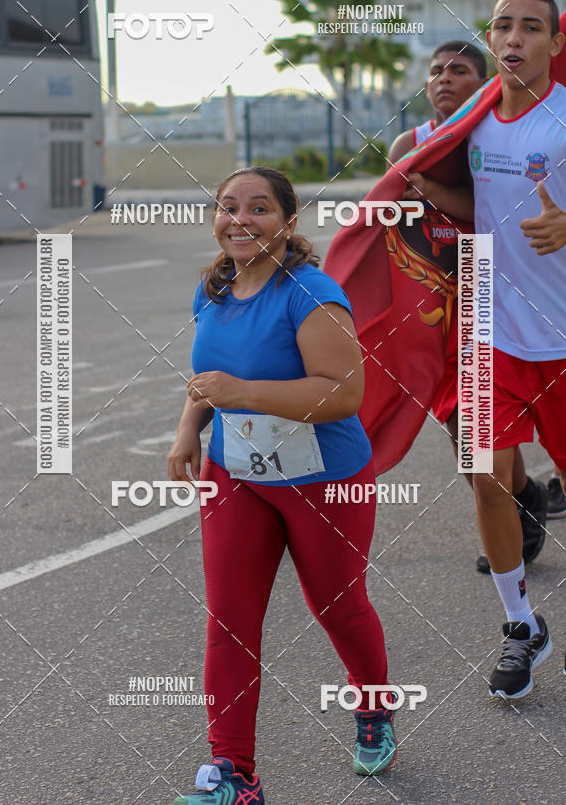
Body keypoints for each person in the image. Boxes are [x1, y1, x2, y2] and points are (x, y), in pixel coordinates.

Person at [167, 166, 396, 804]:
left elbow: (344, 392)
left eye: (259, 208)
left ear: (288, 223)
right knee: (230, 622)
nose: (240, 218)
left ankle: (374, 708)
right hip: (236, 474)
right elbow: (211, 372)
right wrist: (191, 426)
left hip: (324, 479)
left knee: (339, 608)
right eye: (228, 206)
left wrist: (243, 394)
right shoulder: (214, 288)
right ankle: (233, 774)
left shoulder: (311, 292)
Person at [391, 41, 552, 574]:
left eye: (459, 71)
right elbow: (384, 240)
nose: (443, 80)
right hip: (436, 308)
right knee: (462, 431)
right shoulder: (406, 148)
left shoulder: (489, 137)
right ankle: (524, 496)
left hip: (490, 300)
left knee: (479, 436)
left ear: (482, 86)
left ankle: (520, 509)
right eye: (435, 71)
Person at [466, 0, 566, 698]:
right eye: (504, 25)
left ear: (555, 44)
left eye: (532, 27)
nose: (515, 37)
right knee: (485, 477)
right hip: (490, 336)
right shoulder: (472, 122)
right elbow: (452, 190)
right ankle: (520, 625)